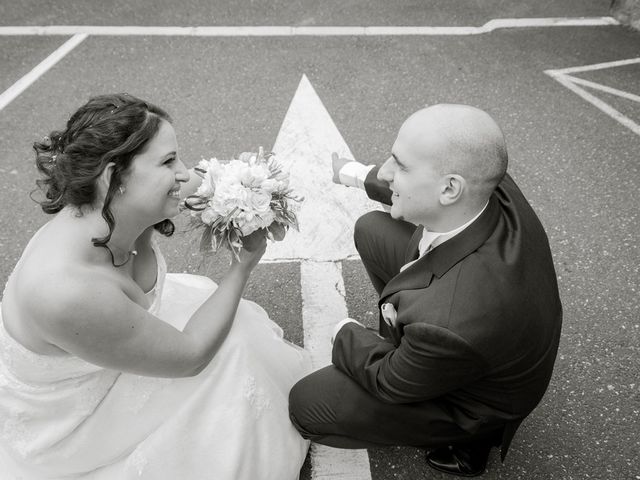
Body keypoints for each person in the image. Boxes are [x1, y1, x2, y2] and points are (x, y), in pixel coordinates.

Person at [0, 93, 311, 479]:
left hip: (112, 332)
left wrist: (252, 188)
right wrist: (241, 266)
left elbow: (203, 180)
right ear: (113, 176)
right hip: (69, 419)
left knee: (240, 335)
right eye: (167, 162)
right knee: (231, 355)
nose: (183, 172)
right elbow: (191, 356)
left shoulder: (107, 203)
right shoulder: (68, 290)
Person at [289, 104, 563, 477]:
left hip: (476, 398)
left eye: (400, 166)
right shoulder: (484, 176)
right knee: (372, 229)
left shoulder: (452, 322)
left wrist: (345, 332)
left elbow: (388, 380)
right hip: (472, 320)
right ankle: (413, 345)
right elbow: (426, 185)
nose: (386, 171)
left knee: (307, 404)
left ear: (450, 188)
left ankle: (474, 442)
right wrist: (351, 174)